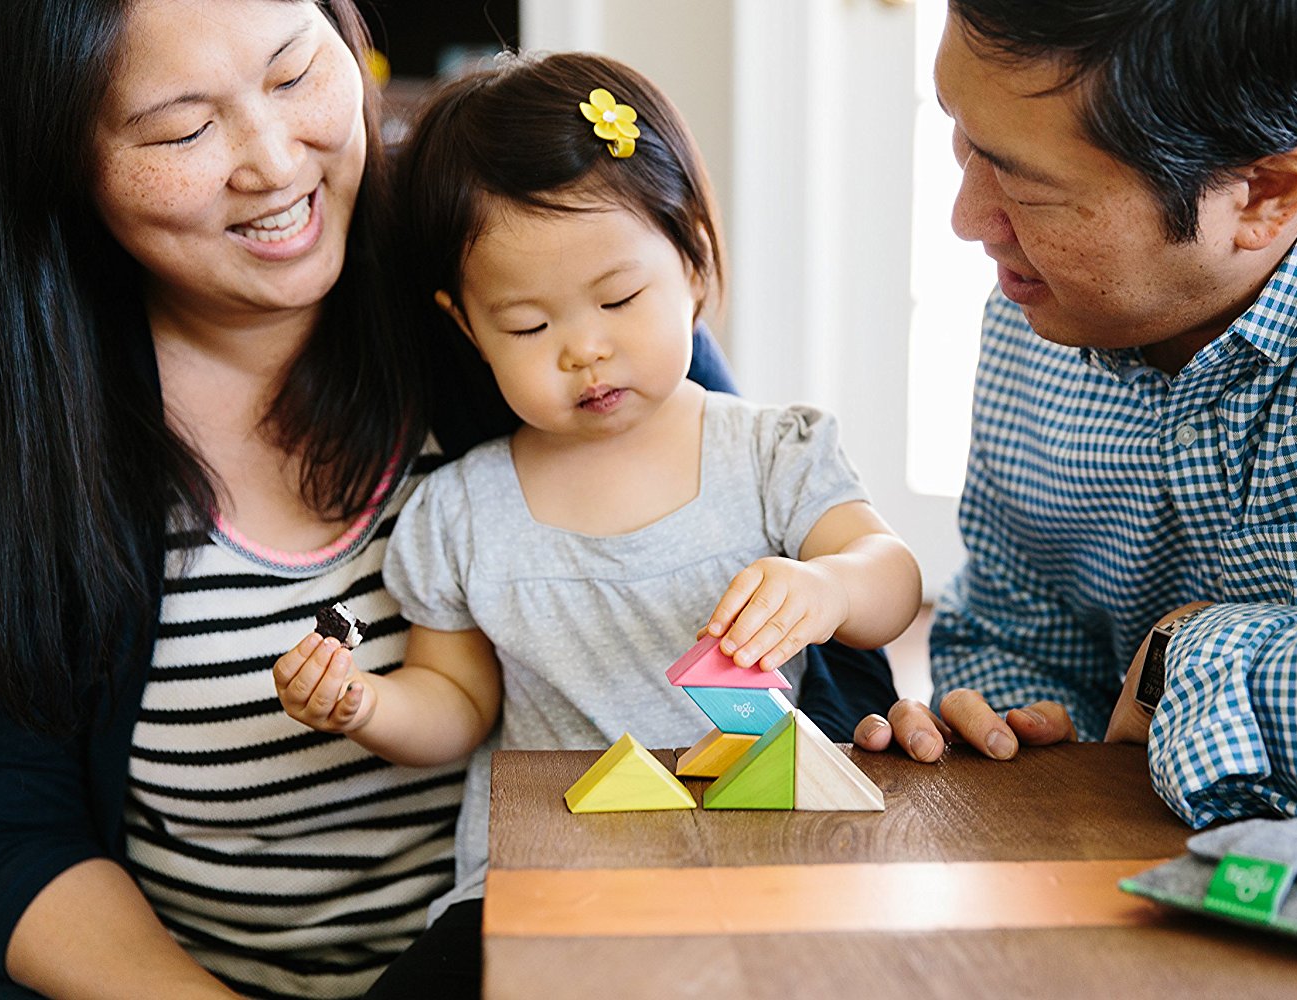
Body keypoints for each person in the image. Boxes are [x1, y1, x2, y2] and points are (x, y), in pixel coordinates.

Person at [0, 2, 755, 997]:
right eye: (183, 130)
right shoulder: (3, 425)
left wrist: (880, 715)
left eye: (294, 75)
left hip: (547, 955)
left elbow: (752, 564)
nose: (278, 163)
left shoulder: (516, 266)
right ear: (59, 158)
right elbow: (5, 830)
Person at [272, 52, 923, 995]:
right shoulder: (462, 512)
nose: (585, 348)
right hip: (532, 881)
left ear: (693, 262)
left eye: (620, 299)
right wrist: (368, 706)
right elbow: (456, 707)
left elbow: (889, 579)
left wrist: (829, 586)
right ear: (468, 328)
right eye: (529, 327)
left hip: (756, 852)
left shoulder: (770, 452)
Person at [855, 0, 1297, 839]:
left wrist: (1179, 655)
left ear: (1266, 194)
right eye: (963, 136)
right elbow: (1012, 640)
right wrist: (1009, 727)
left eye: (1024, 181)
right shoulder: (1048, 301)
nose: (967, 220)